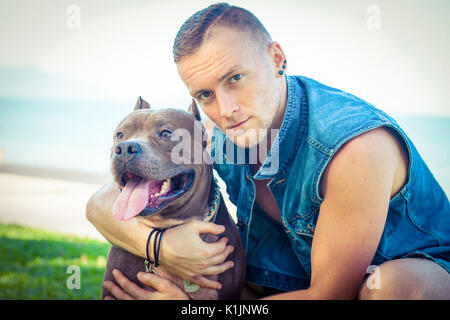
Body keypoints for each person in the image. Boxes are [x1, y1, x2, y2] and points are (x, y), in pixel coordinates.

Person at [86, 3, 450, 300]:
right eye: (205, 95)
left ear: (277, 58)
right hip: (286, 279)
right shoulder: (219, 132)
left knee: (391, 289)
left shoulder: (354, 146)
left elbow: (329, 294)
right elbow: (98, 205)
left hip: (403, 279)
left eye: (235, 78)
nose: (226, 109)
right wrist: (161, 247)